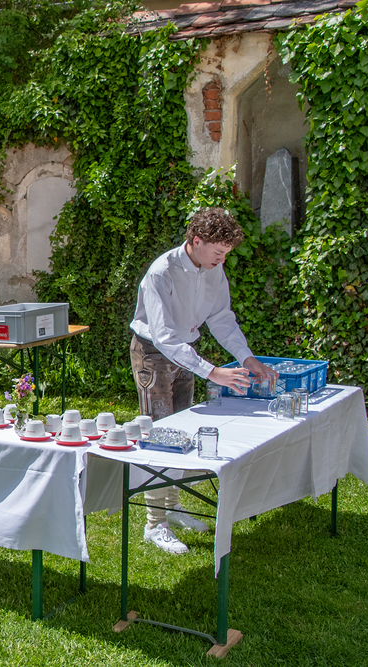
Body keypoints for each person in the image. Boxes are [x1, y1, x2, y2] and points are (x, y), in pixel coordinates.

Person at [129, 207, 276, 554]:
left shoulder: (214, 270)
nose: (222, 260)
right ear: (197, 241)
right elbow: (164, 337)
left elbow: (222, 318)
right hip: (153, 353)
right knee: (159, 434)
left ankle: (173, 506)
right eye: (219, 252)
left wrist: (247, 358)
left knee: (182, 433)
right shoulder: (161, 273)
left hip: (186, 353)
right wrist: (212, 371)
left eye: (226, 254)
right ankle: (154, 524)